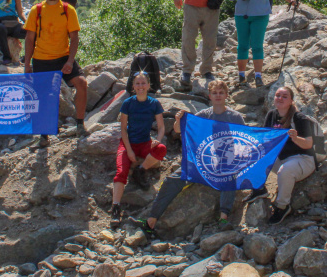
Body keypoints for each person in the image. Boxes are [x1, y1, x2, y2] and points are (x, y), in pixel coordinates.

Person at [135, 80, 245, 237]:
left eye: (221, 93)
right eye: (215, 93)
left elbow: (245, 140)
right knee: (171, 180)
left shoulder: (235, 117)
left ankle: (223, 218)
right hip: (202, 161)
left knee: (229, 174)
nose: (218, 96)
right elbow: (178, 130)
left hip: (225, 161)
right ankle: (151, 221)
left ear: (226, 95)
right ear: (209, 96)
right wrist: (179, 120)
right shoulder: (204, 115)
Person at [23, 0, 90, 143]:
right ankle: (44, 135)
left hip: (63, 57)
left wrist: (70, 61)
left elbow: (74, 37)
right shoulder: (36, 10)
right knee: (43, 96)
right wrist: (27, 64)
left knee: (81, 83)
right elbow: (29, 39)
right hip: (41, 59)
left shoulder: (68, 10)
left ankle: (80, 124)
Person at [223, 0, 299, 88]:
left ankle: (258, 76)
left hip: (260, 15)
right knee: (242, 46)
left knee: (257, 46)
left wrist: (290, 0)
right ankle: (241, 76)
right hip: (241, 15)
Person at [246, 86, 315, 224]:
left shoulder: (299, 118)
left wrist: (295, 138)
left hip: (302, 159)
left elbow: (309, 144)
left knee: (285, 171)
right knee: (253, 155)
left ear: (291, 101)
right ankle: (258, 188)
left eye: (284, 96)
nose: (280, 98)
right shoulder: (272, 115)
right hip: (281, 158)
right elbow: (266, 139)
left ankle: (282, 206)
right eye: (278, 95)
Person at [111, 72, 166, 227]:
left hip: (145, 142)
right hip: (128, 142)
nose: (141, 86)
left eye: (143, 83)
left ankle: (141, 170)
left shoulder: (154, 103)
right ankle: (115, 207)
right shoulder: (128, 103)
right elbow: (123, 129)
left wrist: (158, 140)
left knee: (161, 149)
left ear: (149, 85)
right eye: (138, 83)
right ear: (133, 86)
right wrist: (129, 150)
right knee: (121, 172)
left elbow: (161, 127)